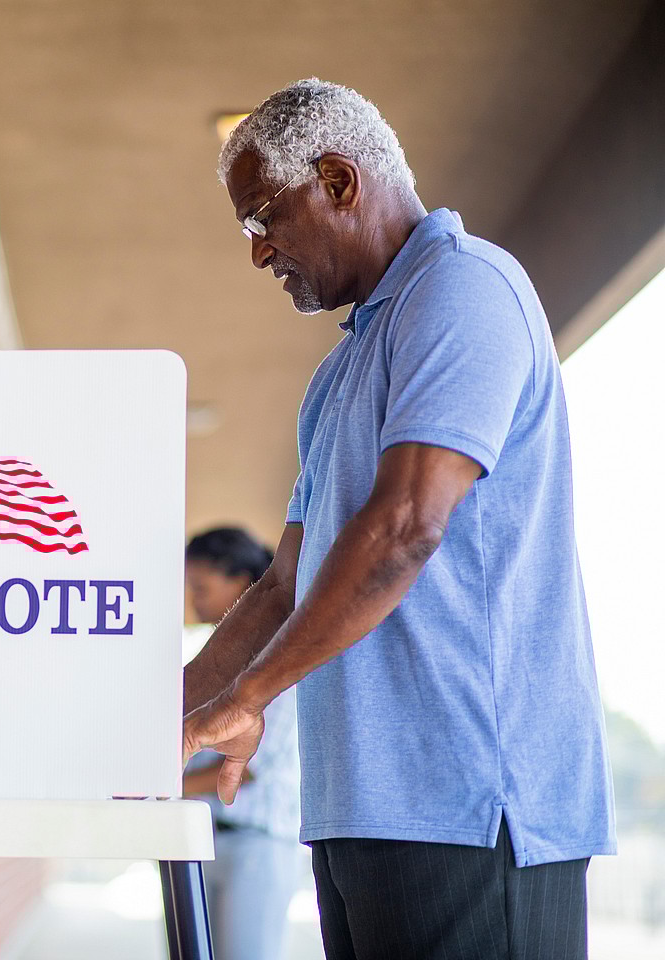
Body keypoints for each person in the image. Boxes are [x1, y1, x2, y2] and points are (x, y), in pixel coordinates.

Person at [180, 79, 614, 960]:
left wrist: (249, 699)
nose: (259, 254)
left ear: (339, 181)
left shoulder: (464, 290)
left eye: (264, 218)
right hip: (361, 807)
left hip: (472, 802)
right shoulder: (339, 375)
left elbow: (408, 525)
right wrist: (163, 721)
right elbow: (280, 588)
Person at [183, 527, 301, 960]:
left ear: (240, 583)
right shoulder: (208, 661)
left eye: (201, 587)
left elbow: (248, 766)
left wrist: (161, 785)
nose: (193, 600)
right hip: (203, 839)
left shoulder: (277, 658)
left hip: (256, 844)